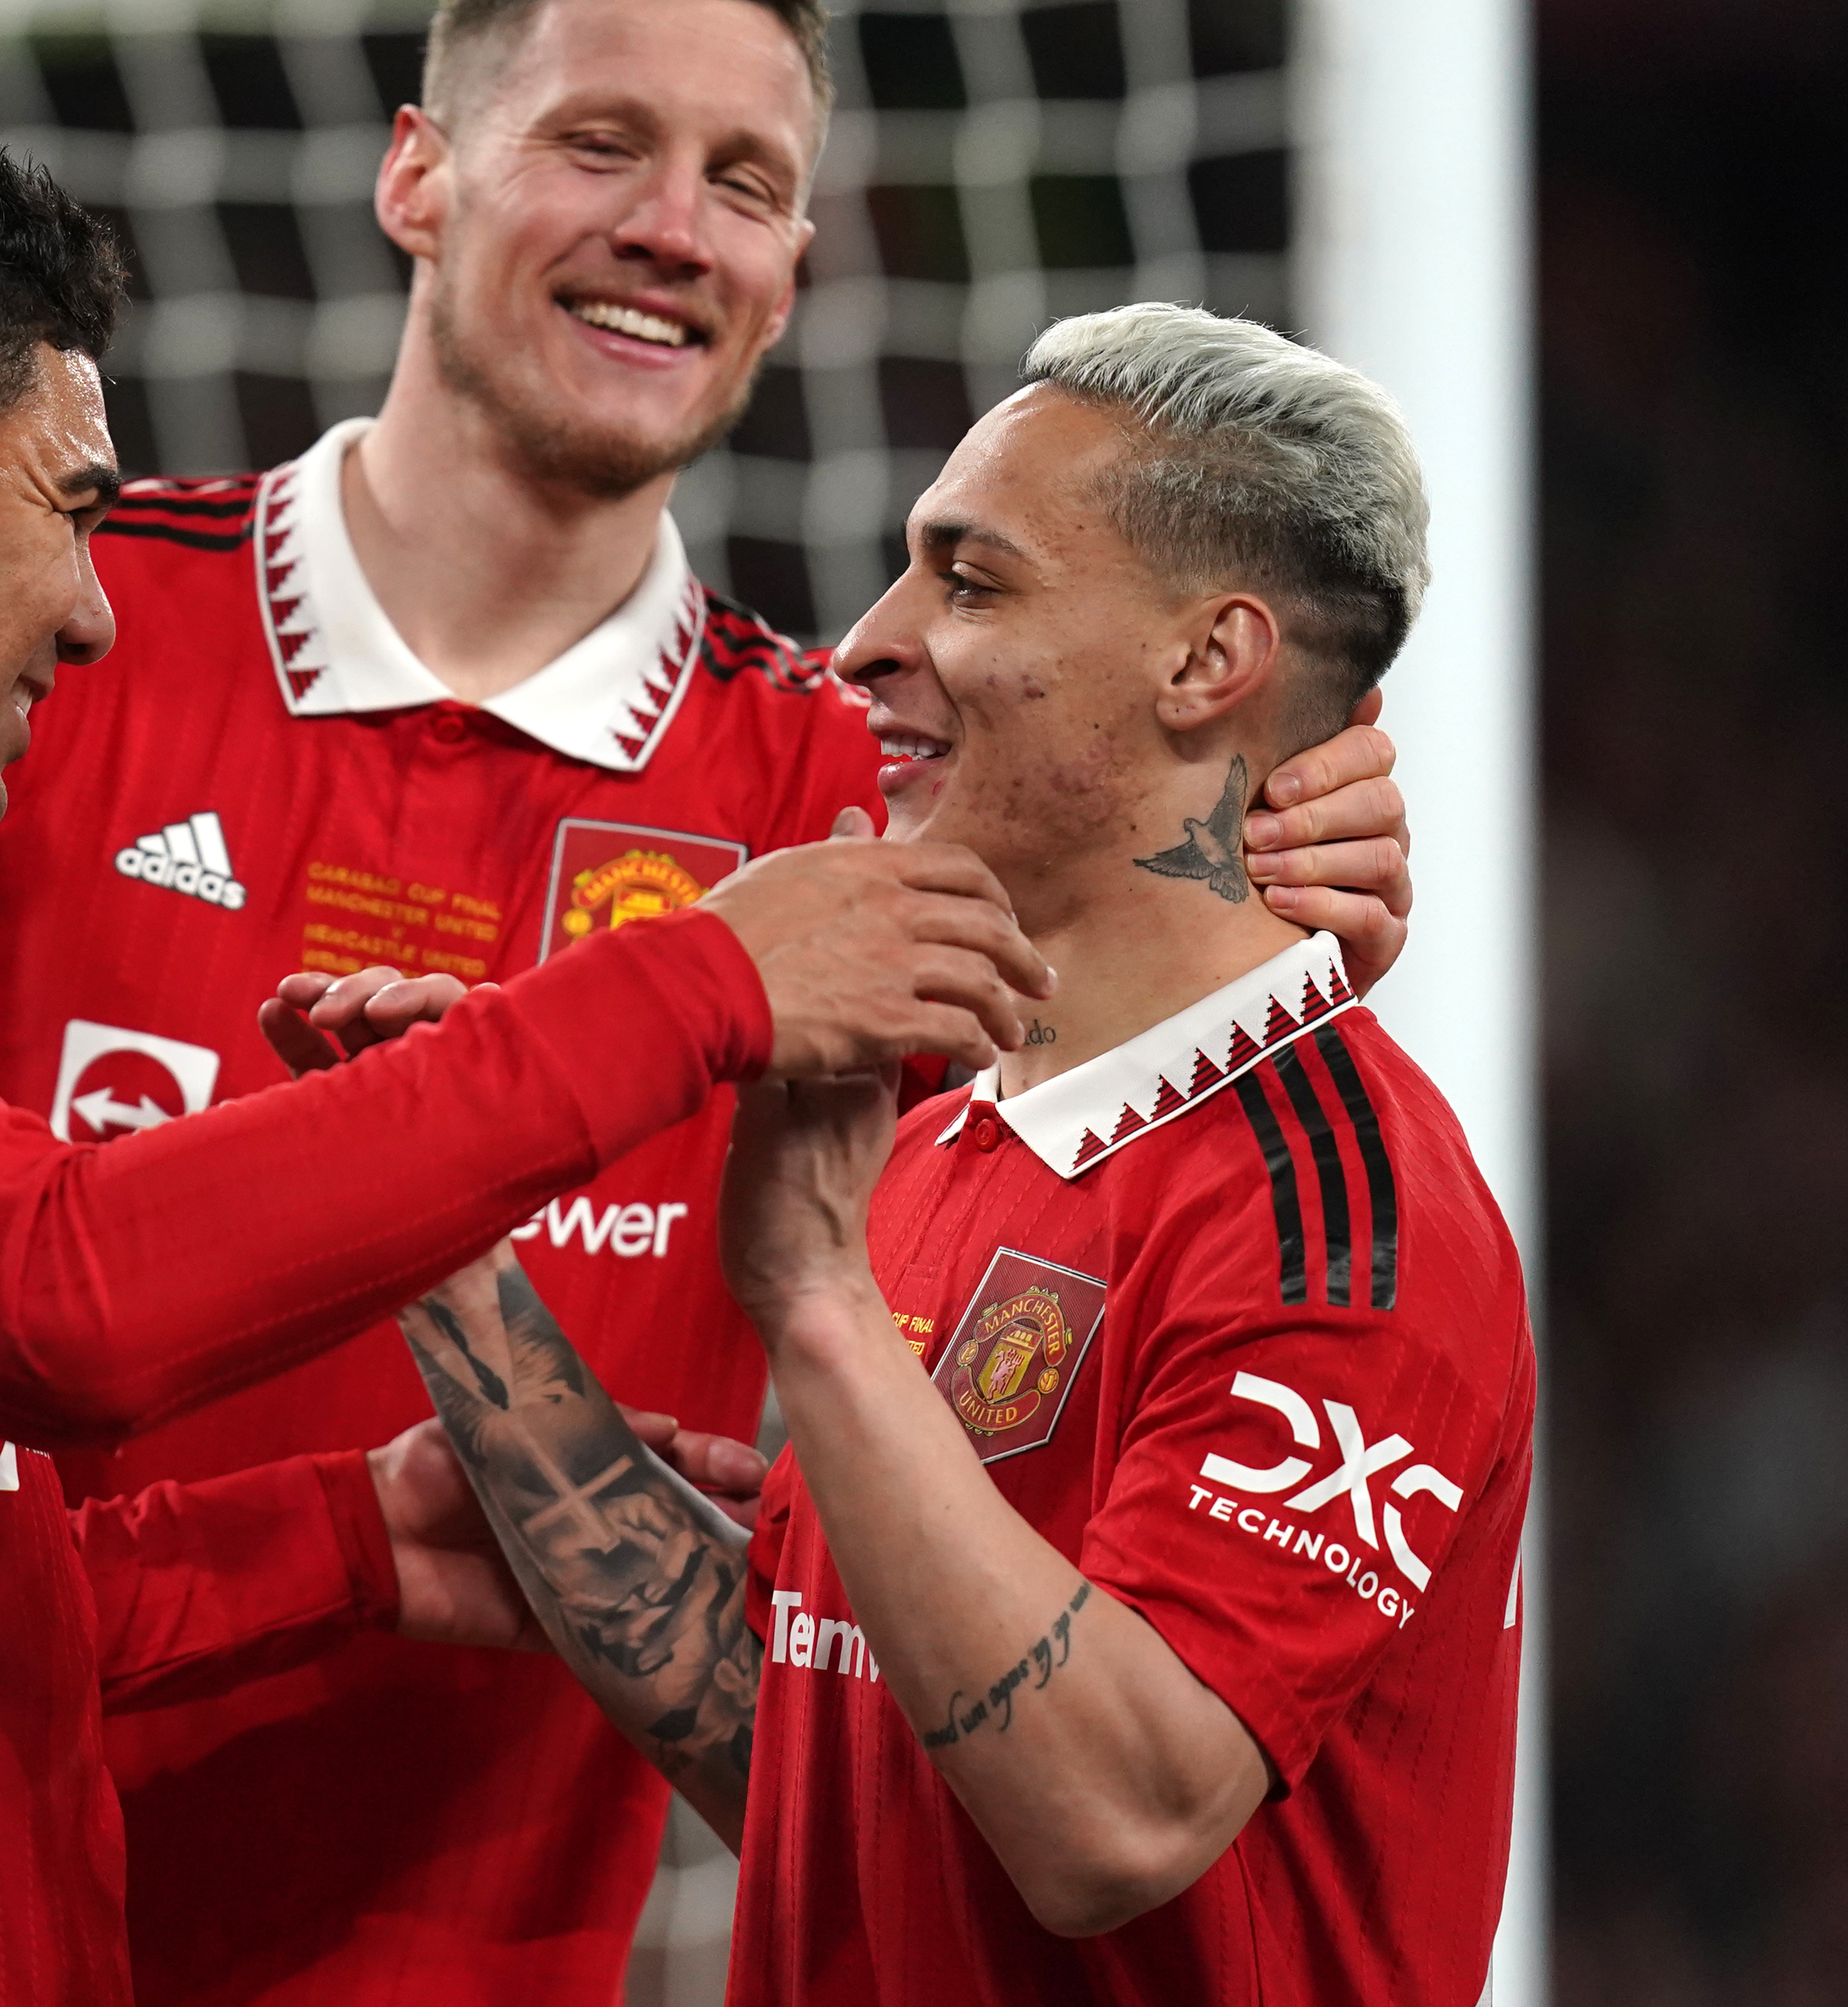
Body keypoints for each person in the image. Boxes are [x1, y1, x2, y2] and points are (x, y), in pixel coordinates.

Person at [0, 0, 1421, 2007]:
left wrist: (1273, 834)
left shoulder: (850, 798)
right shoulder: (47, 647)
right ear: (417, 170)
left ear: (789, 272)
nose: (673, 228)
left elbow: (1160, 1088)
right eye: (600, 145)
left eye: (745, 183)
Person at [0, 119, 1050, 2004]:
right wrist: (690, 983)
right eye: (65, 505)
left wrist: (345, 1536)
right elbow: (55, 1291)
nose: (89, 604)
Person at [404, 303, 1532, 2005]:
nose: (866, 643)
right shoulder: (945, 1139)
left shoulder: (1341, 1218)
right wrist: (456, 1272)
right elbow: (822, 1761)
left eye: (972, 580)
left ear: (1203, 663)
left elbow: (1114, 1820)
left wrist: (817, 1306)